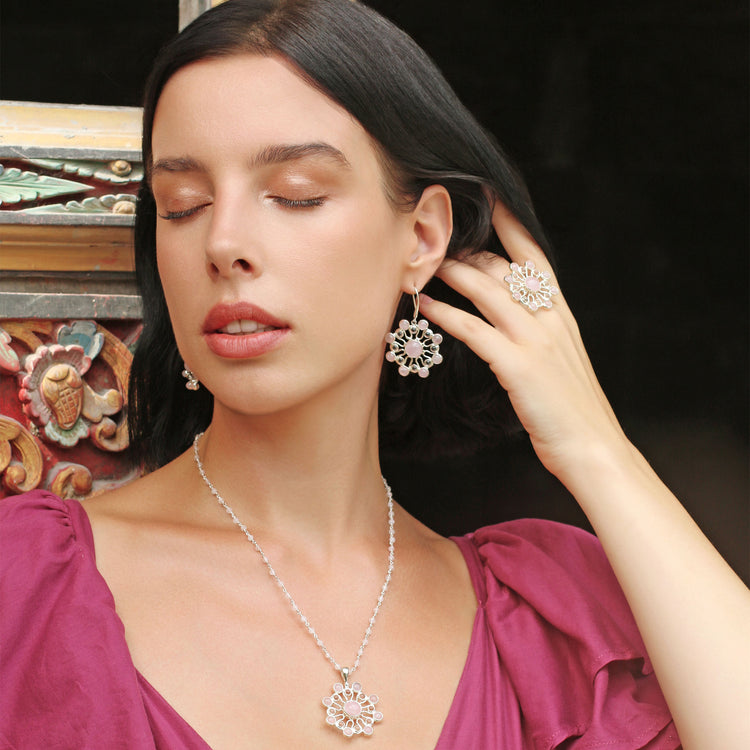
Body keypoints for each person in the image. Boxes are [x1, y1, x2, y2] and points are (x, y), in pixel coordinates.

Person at [1, 1, 748, 748]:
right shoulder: (28, 586)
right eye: (183, 206)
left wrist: (596, 448)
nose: (224, 243)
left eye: (296, 194)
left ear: (422, 236)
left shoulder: (542, 631)